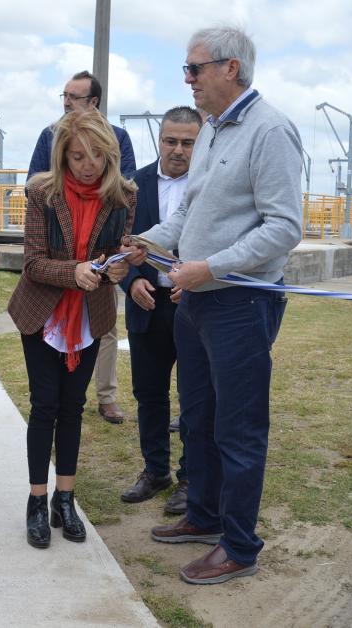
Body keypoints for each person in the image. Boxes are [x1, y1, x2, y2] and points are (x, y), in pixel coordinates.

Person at [127, 26, 303, 585]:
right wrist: (145, 243)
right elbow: (190, 218)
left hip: (241, 303)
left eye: (194, 69)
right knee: (198, 419)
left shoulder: (271, 131)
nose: (187, 80)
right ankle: (202, 516)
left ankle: (239, 545)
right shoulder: (210, 131)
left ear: (230, 69)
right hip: (197, 303)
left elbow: (284, 228)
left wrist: (213, 266)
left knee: (239, 427)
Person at [8, 108, 137, 549]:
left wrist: (118, 269)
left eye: (97, 156)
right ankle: (36, 500)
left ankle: (66, 497)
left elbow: (117, 254)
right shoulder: (43, 193)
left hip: (88, 315)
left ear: (110, 156)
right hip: (42, 315)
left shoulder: (124, 196)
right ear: (63, 154)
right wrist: (75, 272)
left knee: (74, 406)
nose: (87, 164)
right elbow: (33, 263)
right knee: (45, 405)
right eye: (78, 156)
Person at [28, 70, 136, 425]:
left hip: (100, 260)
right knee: (49, 394)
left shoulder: (119, 137)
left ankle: (105, 397)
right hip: (57, 256)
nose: (65, 102)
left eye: (73, 97)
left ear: (94, 102)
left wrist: (117, 257)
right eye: (64, 95)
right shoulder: (50, 134)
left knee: (104, 328)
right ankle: (55, 399)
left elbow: (124, 192)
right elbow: (35, 181)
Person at [119, 106, 202, 514]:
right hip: (147, 304)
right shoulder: (132, 186)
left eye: (188, 142)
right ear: (159, 140)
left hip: (193, 307)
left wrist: (199, 285)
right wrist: (130, 281)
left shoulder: (209, 187)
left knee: (194, 396)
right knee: (148, 394)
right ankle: (155, 470)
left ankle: (190, 477)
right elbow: (116, 246)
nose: (178, 150)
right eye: (171, 141)